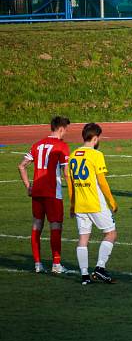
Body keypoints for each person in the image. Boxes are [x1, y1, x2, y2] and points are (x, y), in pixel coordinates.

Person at [17, 116, 71, 274]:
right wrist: (73, 189)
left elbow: (21, 166)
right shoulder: (61, 146)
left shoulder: (37, 145)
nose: (66, 133)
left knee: (37, 225)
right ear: (61, 129)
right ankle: (56, 264)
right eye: (66, 129)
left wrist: (28, 186)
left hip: (37, 191)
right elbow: (66, 172)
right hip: (53, 192)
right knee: (56, 225)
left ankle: (38, 264)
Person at [67, 123, 118, 285]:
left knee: (83, 238)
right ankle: (100, 268)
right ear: (95, 138)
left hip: (80, 204)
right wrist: (112, 201)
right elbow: (102, 182)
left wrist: (72, 204)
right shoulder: (96, 154)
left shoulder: (73, 155)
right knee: (111, 233)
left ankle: (84, 276)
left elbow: (69, 181)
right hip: (95, 202)